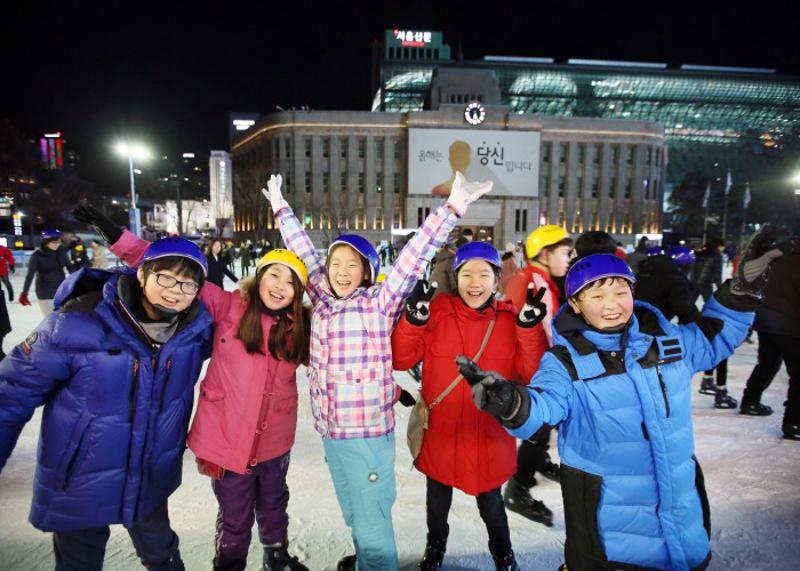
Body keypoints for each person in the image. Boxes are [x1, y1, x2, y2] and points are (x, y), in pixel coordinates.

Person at [459, 227, 778, 571]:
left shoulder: (666, 343)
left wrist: (742, 290)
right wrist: (510, 402)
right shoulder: (564, 363)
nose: (612, 305)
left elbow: (715, 335)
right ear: (576, 304)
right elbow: (544, 406)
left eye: (620, 291)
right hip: (613, 543)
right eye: (596, 296)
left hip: (684, 529)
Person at [264, 170, 492, 571]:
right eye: (336, 263)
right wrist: (281, 209)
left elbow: (415, 254)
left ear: (367, 271)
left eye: (352, 265)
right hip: (332, 432)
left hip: (367, 435)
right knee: (355, 510)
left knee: (371, 522)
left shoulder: (379, 302)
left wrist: (453, 207)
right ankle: (368, 560)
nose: (341, 271)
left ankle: (377, 564)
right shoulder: (321, 298)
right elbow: (303, 252)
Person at [103, 214, 313, 570]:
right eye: (274, 274)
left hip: (275, 440)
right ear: (259, 277)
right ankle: (229, 563)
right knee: (235, 514)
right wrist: (118, 238)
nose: (280, 286)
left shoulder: (301, 328)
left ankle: (276, 554)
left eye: (291, 282)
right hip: (227, 439)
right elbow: (177, 273)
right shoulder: (229, 305)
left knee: (275, 500)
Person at [0, 233, 213, 571]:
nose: (175, 291)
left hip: (149, 474)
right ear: (141, 274)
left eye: (188, 285)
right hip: (81, 476)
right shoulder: (76, 323)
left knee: (163, 556)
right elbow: (9, 393)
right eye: (166, 277)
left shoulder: (195, 334)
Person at [392, 241, 547, 571]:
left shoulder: (509, 320)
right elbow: (401, 358)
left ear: (496, 280)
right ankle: (435, 549)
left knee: (492, 506)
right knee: (437, 503)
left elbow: (533, 373)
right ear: (456, 276)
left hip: (488, 436)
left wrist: (529, 329)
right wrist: (412, 322)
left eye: (484, 274)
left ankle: (503, 556)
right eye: (467, 274)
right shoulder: (437, 313)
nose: (474, 283)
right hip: (443, 432)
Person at [500, 225, 573, 526]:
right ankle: (518, 489)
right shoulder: (535, 283)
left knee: (541, 431)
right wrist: (545, 386)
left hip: (531, 370)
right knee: (539, 429)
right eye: (566, 253)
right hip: (532, 373)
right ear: (546, 253)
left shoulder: (533, 278)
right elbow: (537, 337)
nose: (570, 258)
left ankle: (539, 460)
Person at [738, 236, 798, 440]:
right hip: (789, 325)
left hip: (767, 321)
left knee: (768, 363)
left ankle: (750, 401)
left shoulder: (780, 262)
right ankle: (794, 422)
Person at [692, 238, 728, 397]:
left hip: (695, 283)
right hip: (706, 284)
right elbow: (717, 274)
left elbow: (693, 270)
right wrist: (721, 289)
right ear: (719, 246)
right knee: (712, 310)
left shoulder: (700, 254)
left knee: (689, 306)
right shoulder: (716, 255)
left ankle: (689, 325)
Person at [20, 229, 74, 316]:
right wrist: (24, 293)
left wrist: (82, 282)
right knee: (50, 320)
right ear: (45, 242)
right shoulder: (37, 256)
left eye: (58, 242)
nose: (57, 245)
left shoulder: (62, 252)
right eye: (54, 242)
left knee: (63, 320)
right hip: (45, 293)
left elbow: (71, 269)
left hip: (61, 291)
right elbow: (30, 275)